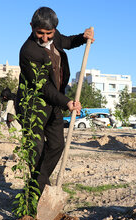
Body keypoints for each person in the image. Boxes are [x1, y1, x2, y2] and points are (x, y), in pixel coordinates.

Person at [16, 7, 94, 194]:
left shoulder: (54, 36)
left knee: (57, 144)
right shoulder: (28, 51)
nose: (45, 38)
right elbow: (43, 87)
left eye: (49, 34)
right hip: (33, 105)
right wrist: (66, 101)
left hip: (53, 103)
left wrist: (83, 38)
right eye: (40, 33)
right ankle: (39, 192)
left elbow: (66, 42)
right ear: (31, 27)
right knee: (36, 150)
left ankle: (38, 185)